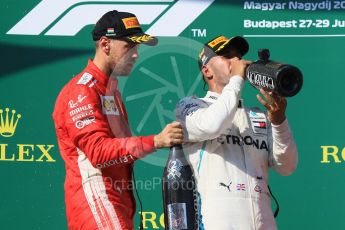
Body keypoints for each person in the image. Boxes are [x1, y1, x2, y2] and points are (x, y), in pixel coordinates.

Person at [52, 10, 183, 230]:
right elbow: (99, 153)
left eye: (137, 48)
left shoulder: (110, 91)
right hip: (96, 205)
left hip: (114, 206)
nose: (135, 55)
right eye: (129, 47)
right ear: (105, 44)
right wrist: (156, 141)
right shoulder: (82, 90)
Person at [175, 35, 298, 230]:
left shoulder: (257, 115)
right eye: (227, 56)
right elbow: (212, 125)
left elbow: (287, 166)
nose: (237, 61)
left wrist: (279, 121)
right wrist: (237, 80)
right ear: (207, 70)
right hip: (215, 222)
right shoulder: (191, 106)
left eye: (238, 56)